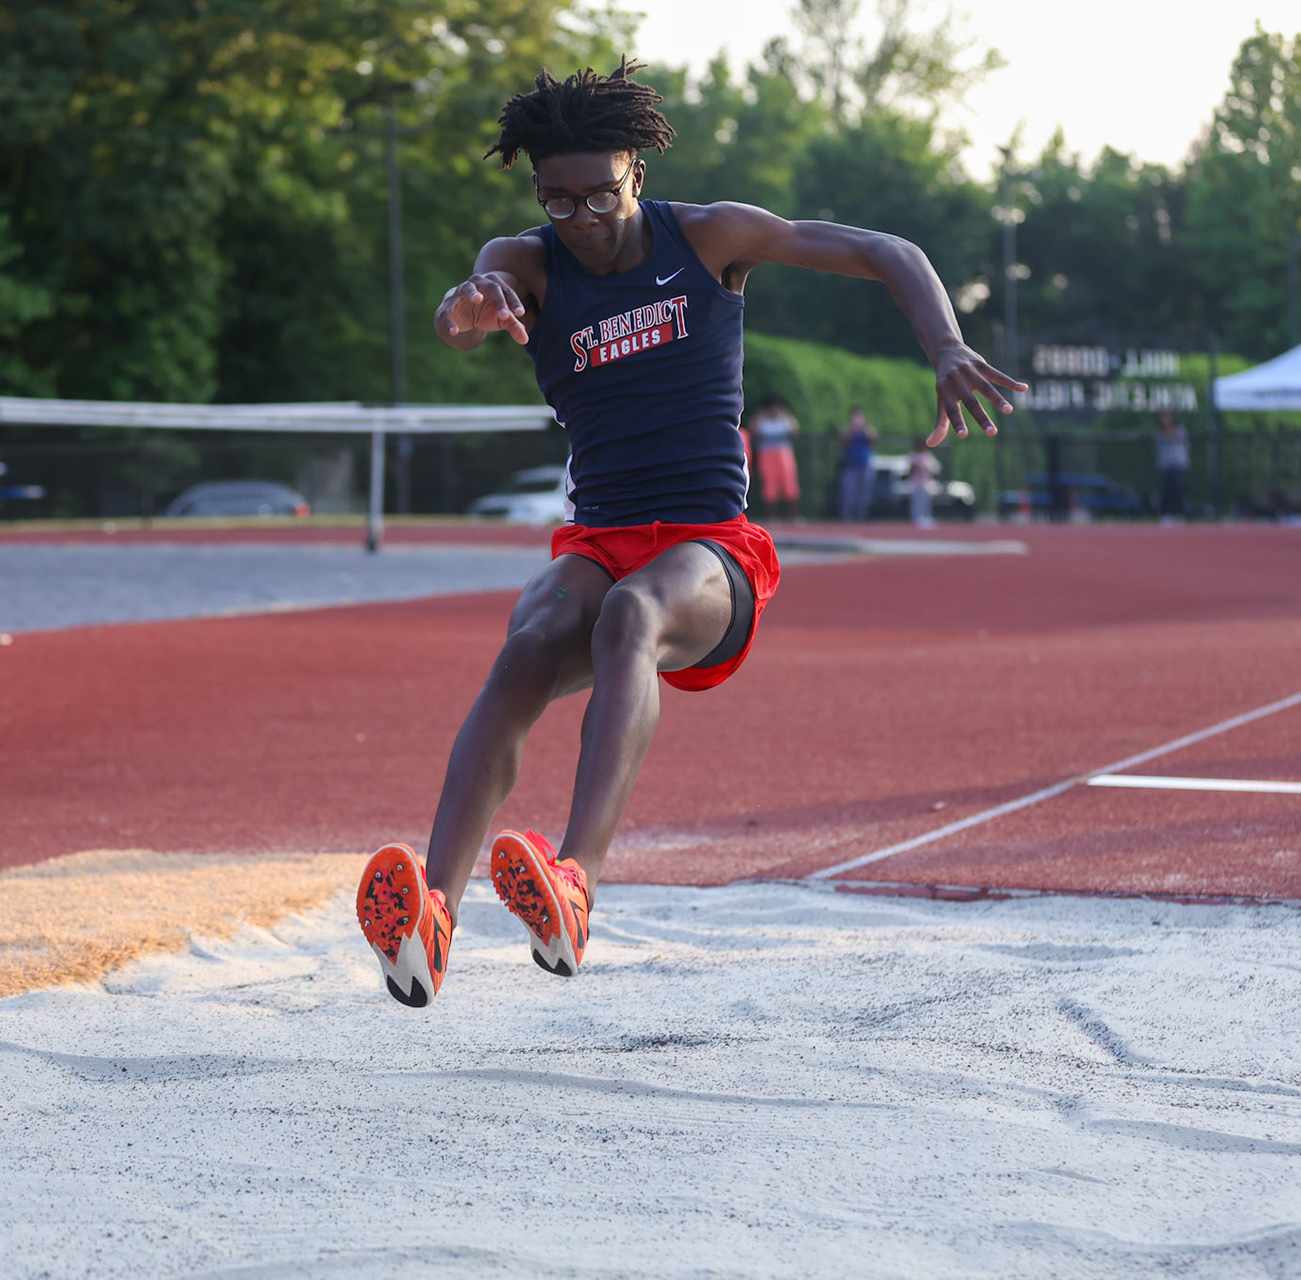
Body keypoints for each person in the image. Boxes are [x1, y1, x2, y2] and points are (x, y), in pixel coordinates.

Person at [357, 60, 1024, 1006]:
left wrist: (945, 342)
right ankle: (434, 912)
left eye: (598, 196)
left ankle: (574, 885)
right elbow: (468, 304)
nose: (580, 220)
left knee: (632, 615)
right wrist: (465, 310)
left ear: (636, 169)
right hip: (599, 539)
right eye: (558, 201)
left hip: (712, 554)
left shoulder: (711, 239)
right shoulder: (525, 262)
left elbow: (887, 249)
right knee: (532, 637)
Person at [748, 394, 802, 520]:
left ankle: (794, 516)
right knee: (769, 485)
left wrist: (785, 416)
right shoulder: (761, 419)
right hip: (766, 454)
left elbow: (795, 431)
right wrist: (760, 415)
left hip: (784, 453)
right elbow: (753, 431)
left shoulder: (785, 419)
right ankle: (772, 516)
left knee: (789, 483)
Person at [836, 409, 875, 522]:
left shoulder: (868, 430)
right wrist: (853, 430)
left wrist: (864, 429)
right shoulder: (847, 430)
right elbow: (844, 442)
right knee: (848, 494)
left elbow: (873, 440)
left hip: (865, 466)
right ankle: (846, 518)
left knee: (864, 495)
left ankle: (861, 519)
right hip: (850, 466)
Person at [1155, 411, 1190, 524]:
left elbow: (1186, 445)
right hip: (1166, 465)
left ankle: (1179, 514)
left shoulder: (1180, 431)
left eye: (1167, 418)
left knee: (1178, 489)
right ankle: (1167, 514)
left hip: (1178, 464)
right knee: (1167, 490)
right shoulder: (1159, 433)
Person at [906, 442, 942, 529]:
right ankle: (916, 517)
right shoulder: (913, 455)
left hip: (926, 482)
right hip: (916, 482)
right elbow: (910, 469)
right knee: (917, 501)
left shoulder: (928, 456)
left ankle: (926, 517)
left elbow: (934, 468)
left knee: (926, 501)